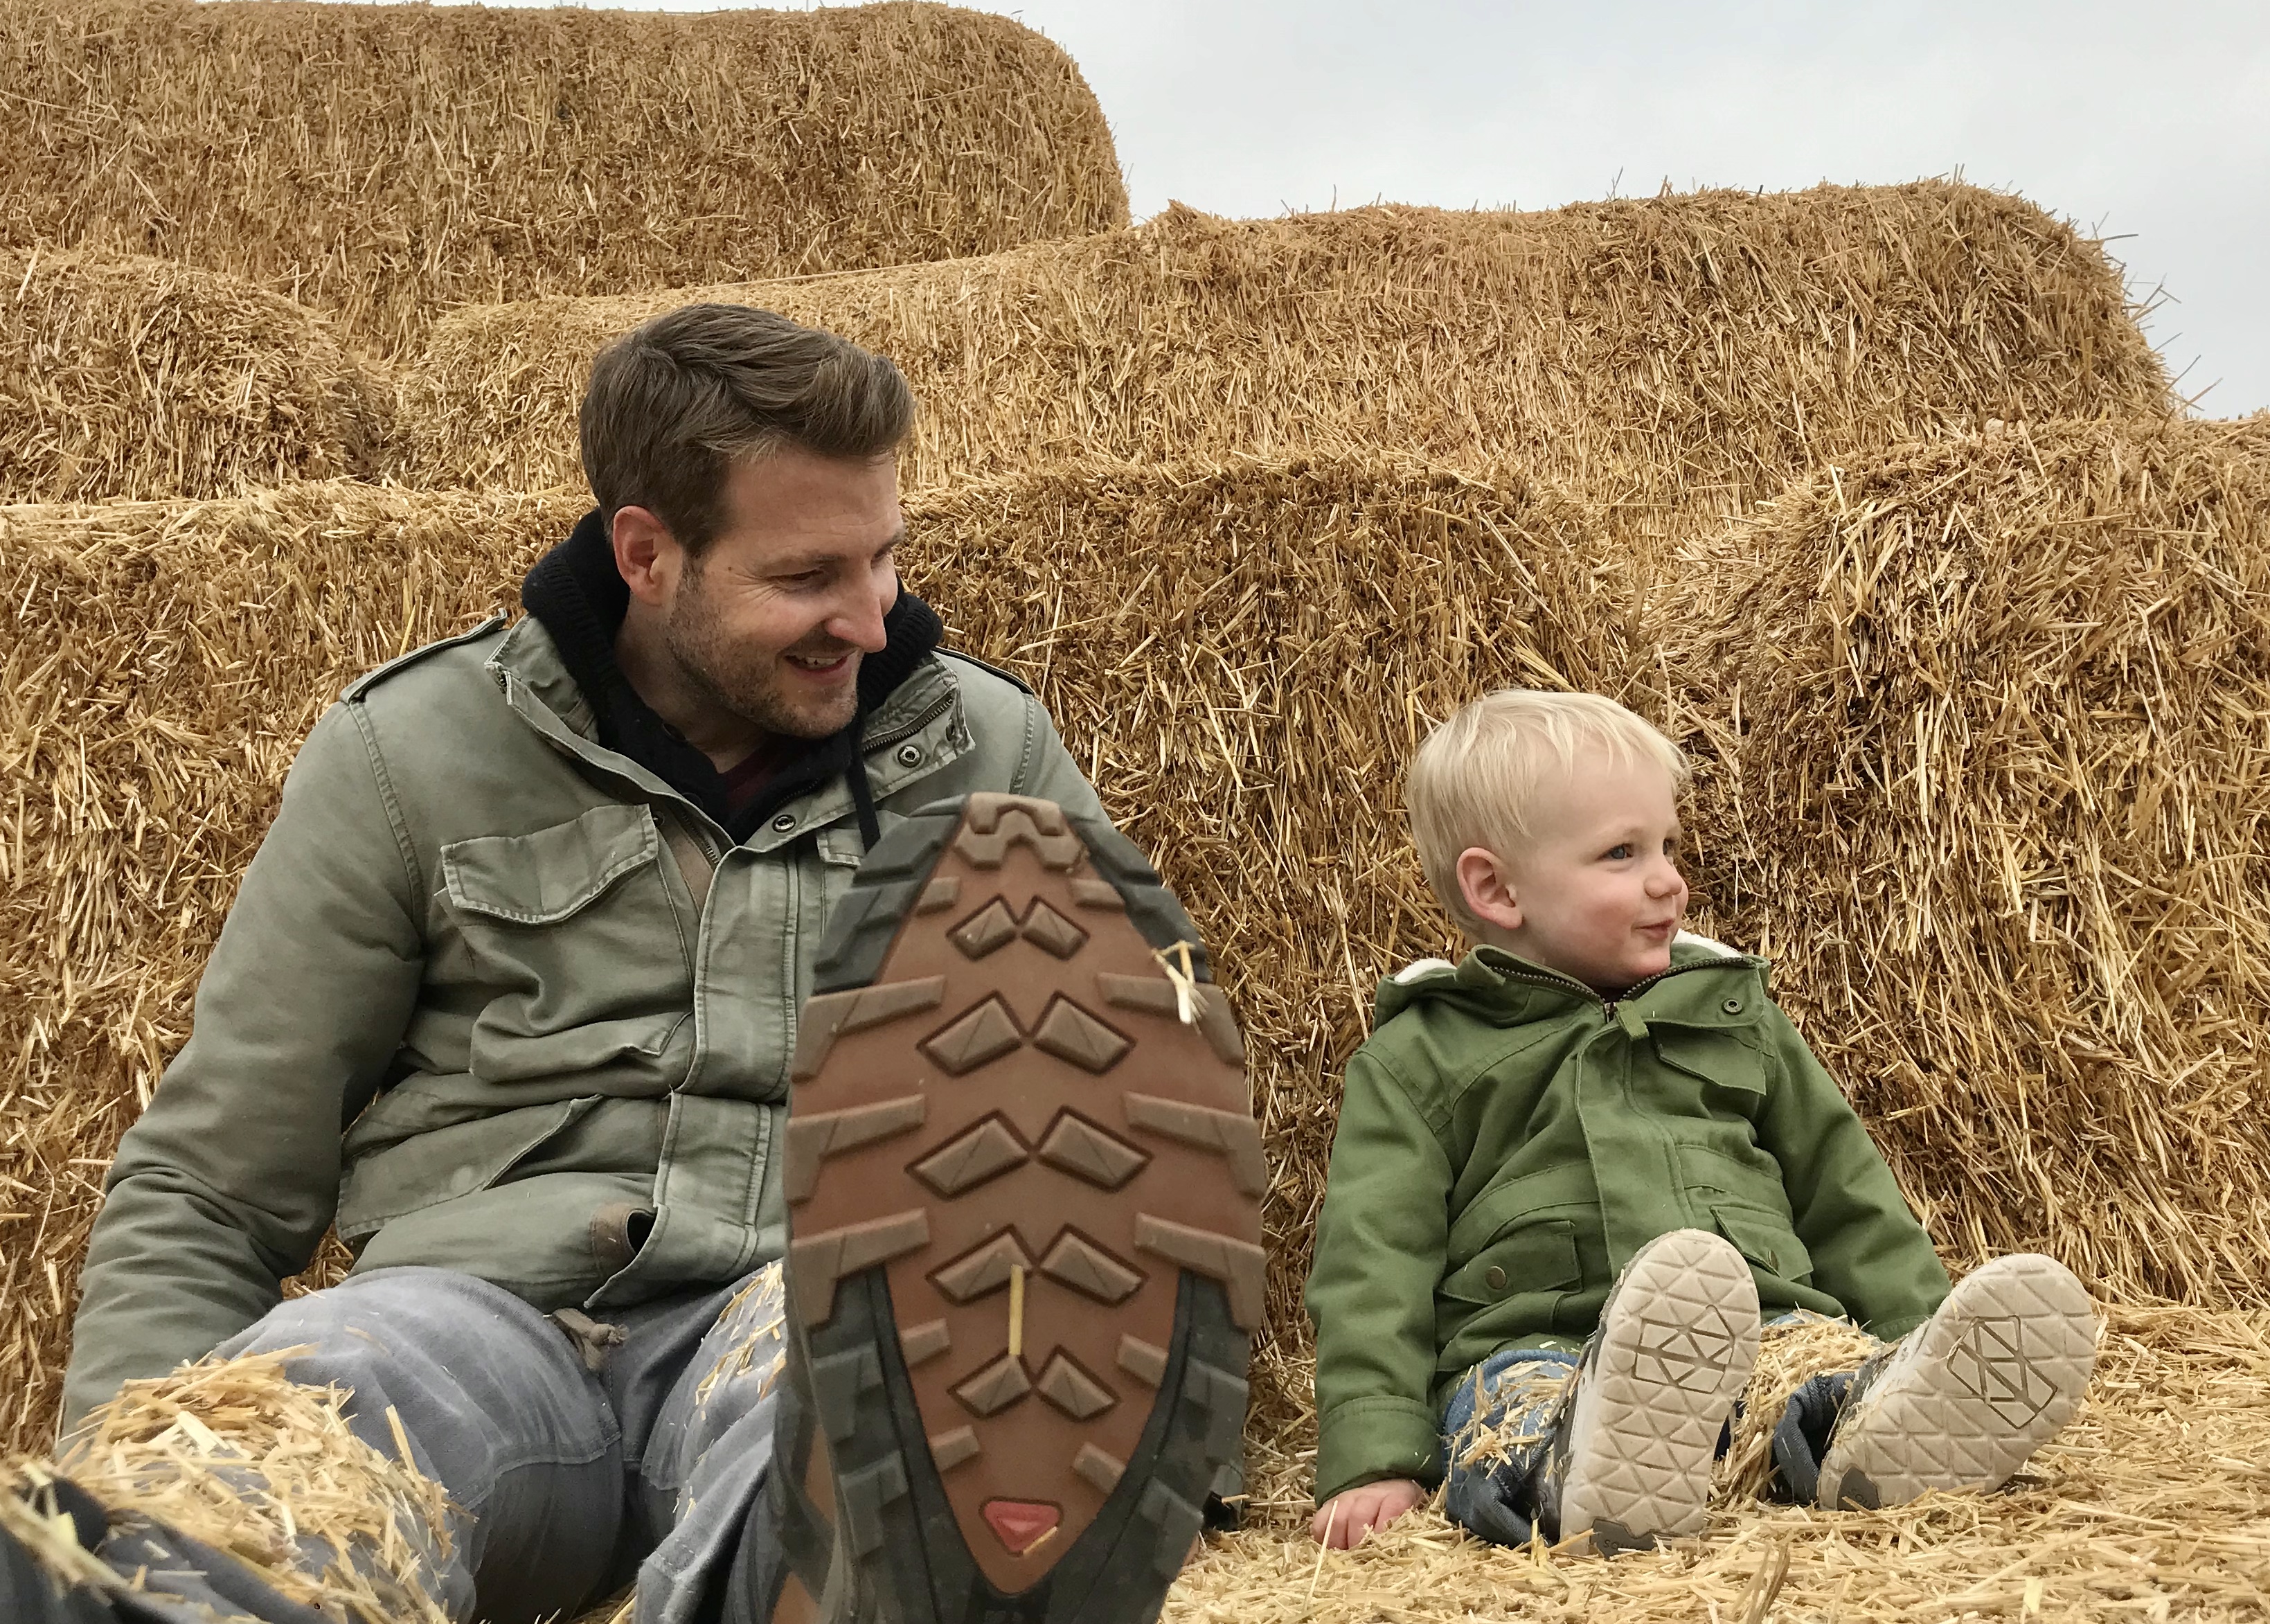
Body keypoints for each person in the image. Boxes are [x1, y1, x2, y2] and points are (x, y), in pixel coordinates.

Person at [0, 304, 1261, 1624]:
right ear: (648, 555)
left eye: (883, 559)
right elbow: (210, 1178)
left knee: (877, 1404)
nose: (874, 620)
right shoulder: (409, 751)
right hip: (474, 1310)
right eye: (808, 578)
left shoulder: (987, 757)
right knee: (330, 1388)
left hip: (796, 1294)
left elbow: (1143, 1113)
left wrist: (1155, 1469)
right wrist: (139, 1459)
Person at [1303, 689, 2099, 1554]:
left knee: (1813, 1374)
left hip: (1766, 1320)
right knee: (1511, 1419)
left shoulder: (1730, 1014)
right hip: (1537, 1340)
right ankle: (1583, 1472)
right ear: (1495, 887)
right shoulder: (1423, 1053)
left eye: (1667, 845)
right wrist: (1376, 1453)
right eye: (1620, 852)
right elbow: (1373, 1258)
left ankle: (1879, 1433)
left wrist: (1918, 1334)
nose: (1667, 880)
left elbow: (1843, 1188)